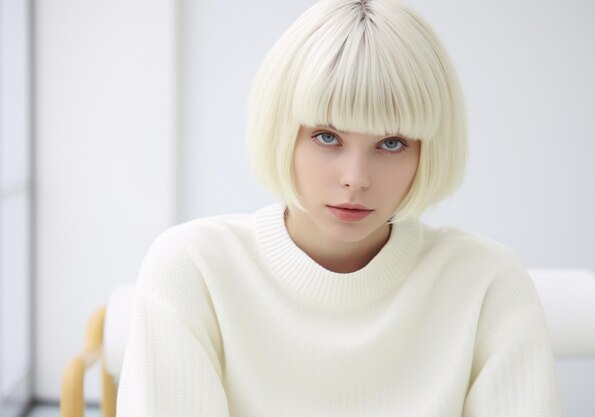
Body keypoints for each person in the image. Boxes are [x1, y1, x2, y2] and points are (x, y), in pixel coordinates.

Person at [117, 0, 564, 416]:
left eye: (391, 143)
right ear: (282, 133)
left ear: (427, 151)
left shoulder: (488, 284)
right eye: (327, 137)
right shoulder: (193, 270)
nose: (356, 177)